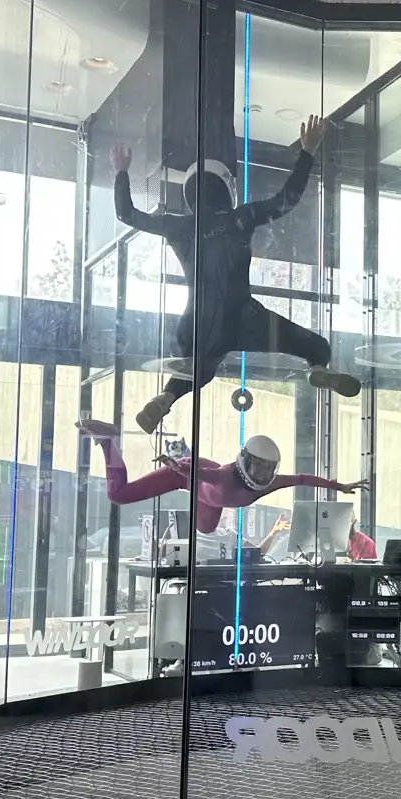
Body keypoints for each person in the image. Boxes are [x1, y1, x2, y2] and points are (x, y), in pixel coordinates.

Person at [110, 116, 361, 435]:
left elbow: (126, 214)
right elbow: (286, 200)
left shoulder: (179, 226)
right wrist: (307, 151)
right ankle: (316, 368)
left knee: (198, 371)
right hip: (245, 316)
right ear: (227, 189)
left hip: (196, 323)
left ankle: (164, 398)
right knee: (317, 347)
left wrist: (121, 171)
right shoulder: (241, 218)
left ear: (190, 194)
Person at [77, 420, 365, 534]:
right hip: (186, 474)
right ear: (245, 461)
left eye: (269, 468)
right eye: (259, 466)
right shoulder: (225, 477)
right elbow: (201, 473)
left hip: (207, 493)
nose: (264, 473)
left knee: (205, 530)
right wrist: (175, 465)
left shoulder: (269, 483)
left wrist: (339, 486)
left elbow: (302, 478)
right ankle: (108, 440)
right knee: (118, 495)